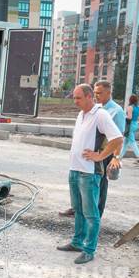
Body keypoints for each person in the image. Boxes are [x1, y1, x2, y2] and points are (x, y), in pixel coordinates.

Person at [57, 84, 123, 264]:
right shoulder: (81, 114)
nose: (75, 101)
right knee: (78, 210)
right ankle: (77, 242)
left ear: (89, 97)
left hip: (89, 172)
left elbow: (117, 138)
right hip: (75, 169)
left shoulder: (100, 115)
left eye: (78, 98)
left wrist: (100, 156)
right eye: (74, 98)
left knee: (91, 214)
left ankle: (89, 249)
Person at [59, 80, 124, 218]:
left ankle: (96, 215)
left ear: (109, 92)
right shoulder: (92, 109)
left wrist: (115, 157)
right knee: (83, 185)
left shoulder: (116, 111)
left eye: (99, 93)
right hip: (90, 153)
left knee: (100, 185)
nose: (96, 96)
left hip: (104, 153)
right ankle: (78, 209)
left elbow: (119, 137)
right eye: (94, 93)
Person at [119, 94, 139, 164]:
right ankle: (120, 157)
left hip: (129, 125)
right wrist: (136, 118)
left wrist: (123, 116)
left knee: (132, 142)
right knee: (125, 142)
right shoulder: (138, 107)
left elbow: (129, 117)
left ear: (130, 100)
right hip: (135, 124)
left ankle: (138, 157)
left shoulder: (130, 107)